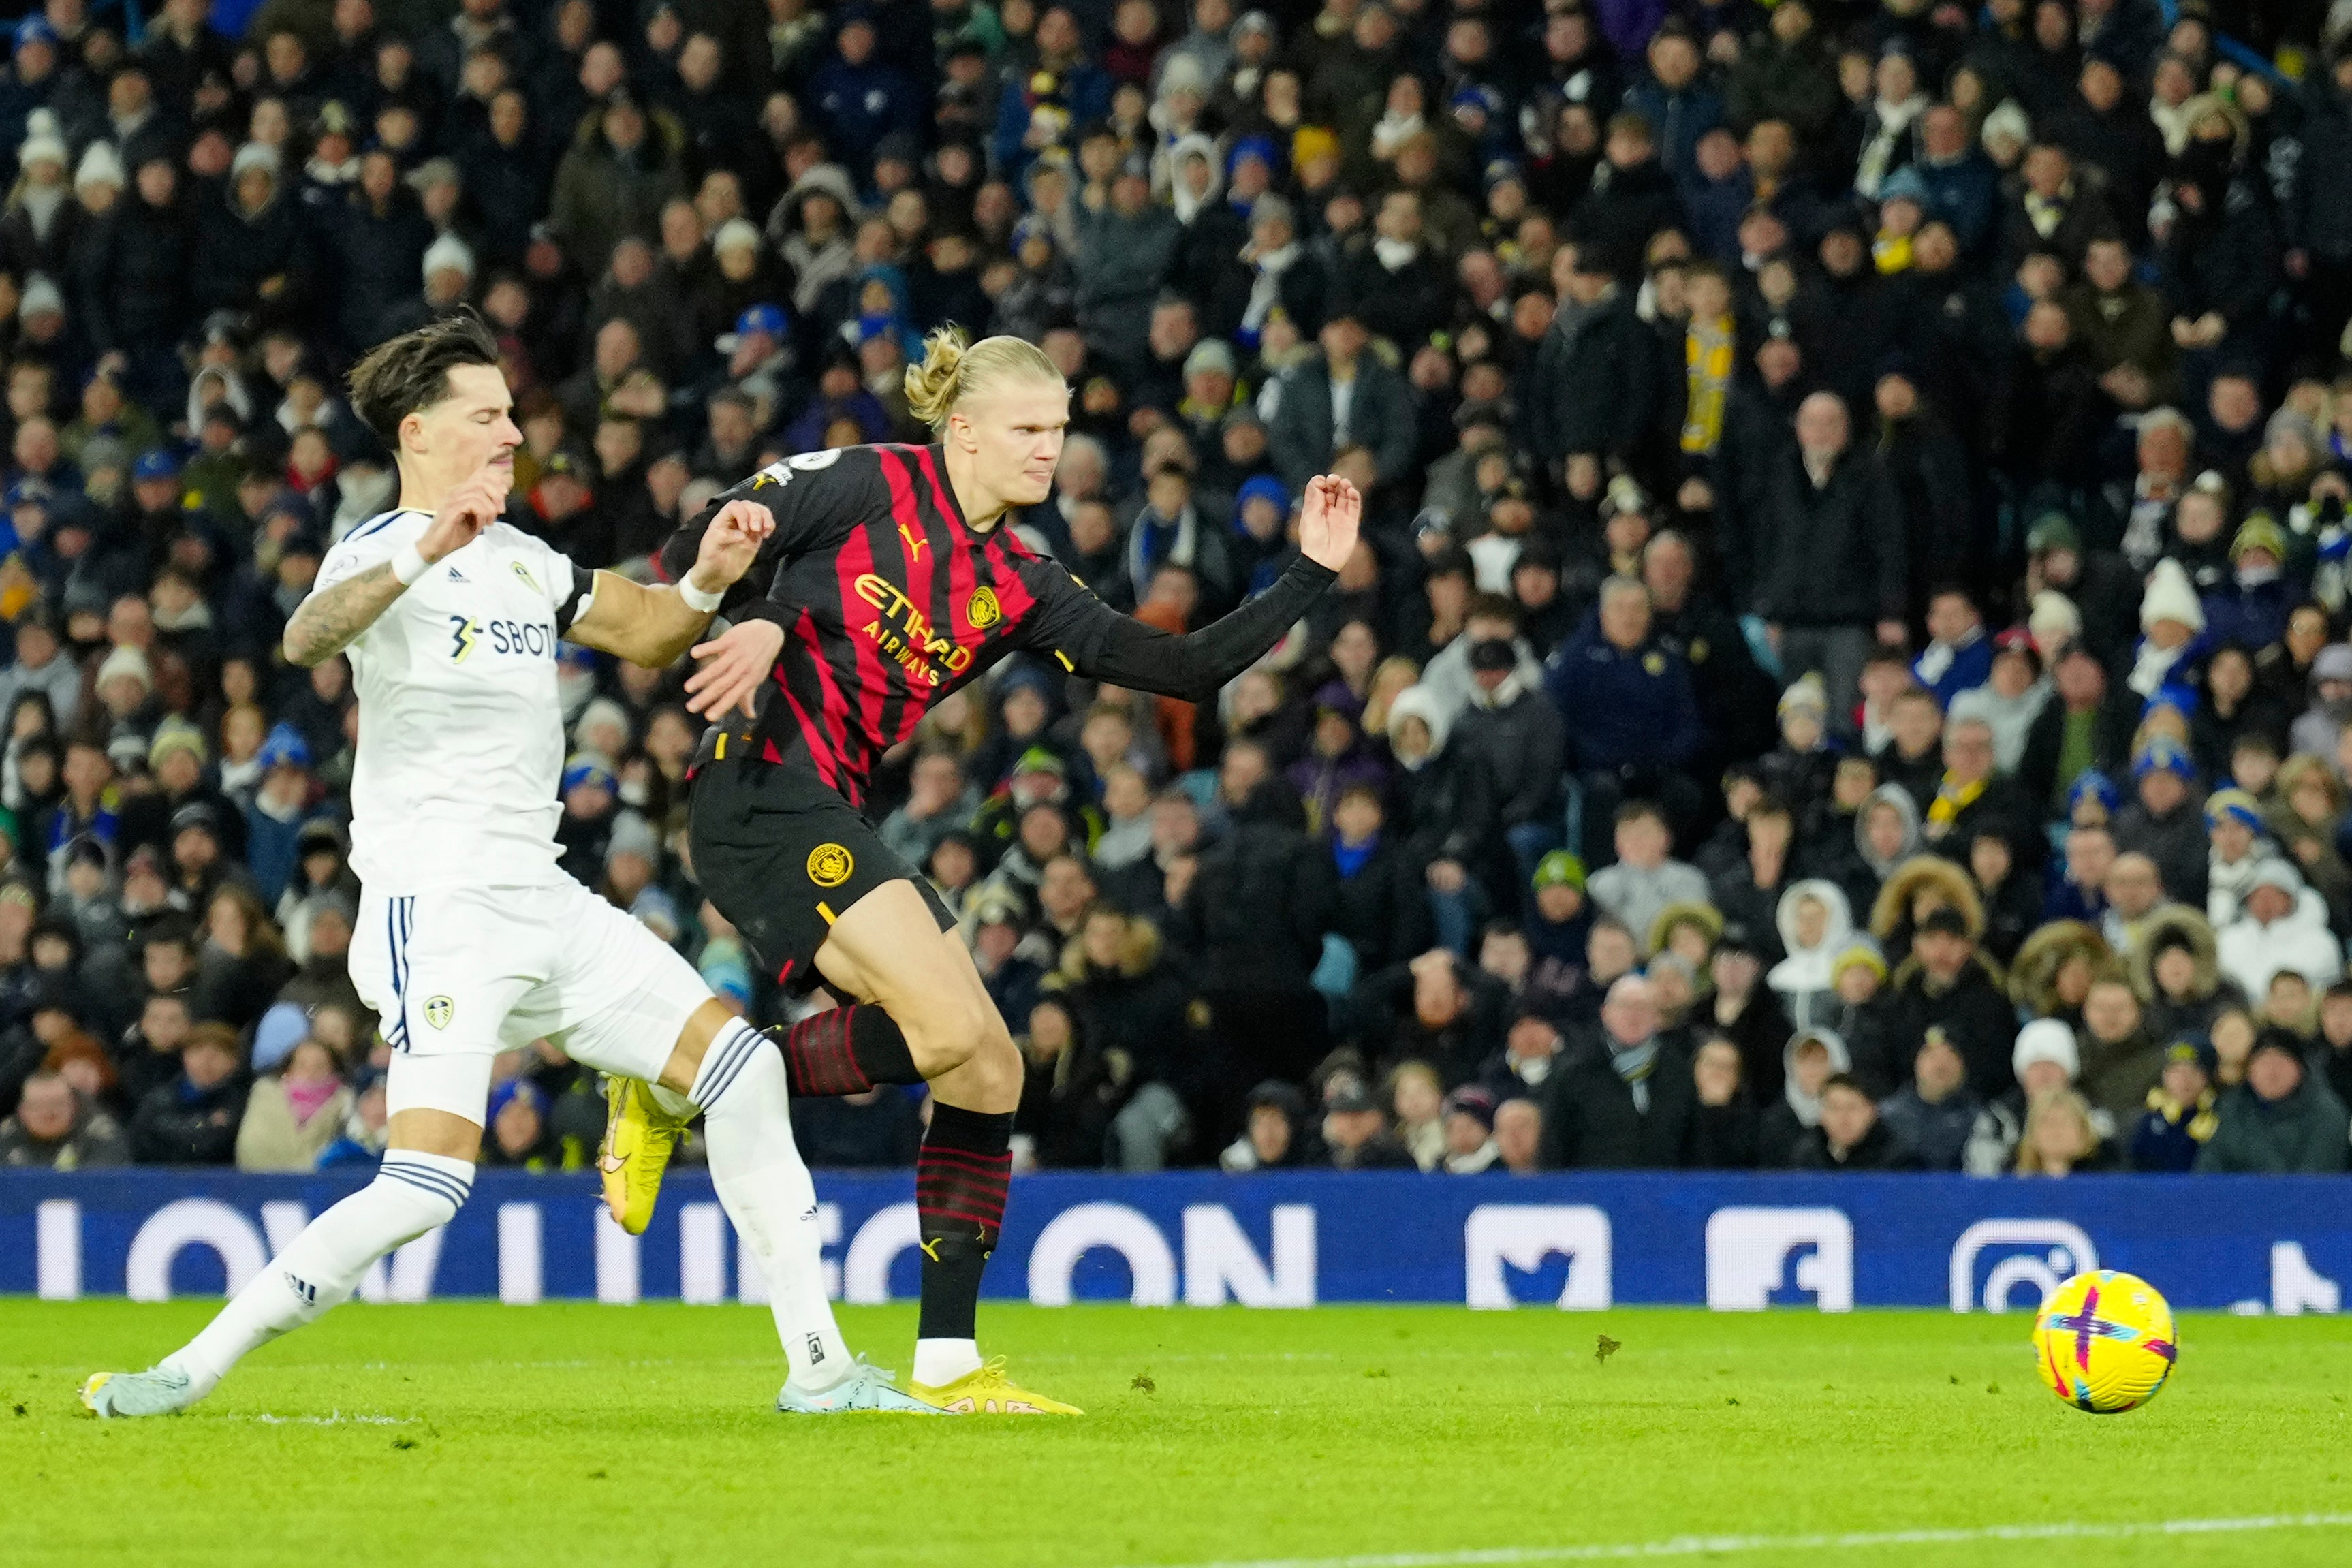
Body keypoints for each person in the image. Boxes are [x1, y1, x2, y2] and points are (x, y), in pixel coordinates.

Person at [82, 314, 927, 1419]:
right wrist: (422, 550)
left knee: (746, 1069)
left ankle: (819, 1369)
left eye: (514, 415)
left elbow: (651, 628)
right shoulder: (376, 547)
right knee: (427, 1185)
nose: (512, 435)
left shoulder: (525, 559)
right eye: (487, 417)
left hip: (543, 896)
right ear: (419, 431)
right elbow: (305, 636)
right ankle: (185, 1370)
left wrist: (715, 578)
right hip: (438, 909)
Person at [636, 328, 1360, 1414]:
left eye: (1059, 431)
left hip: (830, 805)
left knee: (989, 1070)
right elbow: (704, 541)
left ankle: (945, 1364)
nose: (1049, 451)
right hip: (756, 787)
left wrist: (1308, 572)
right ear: (962, 430)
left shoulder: (1020, 578)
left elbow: (1184, 669)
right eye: (1028, 430)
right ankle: (689, 1080)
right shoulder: (861, 480)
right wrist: (768, 615)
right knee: (944, 1033)